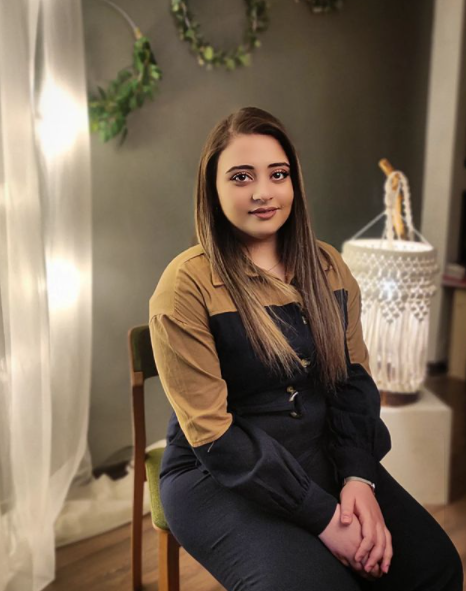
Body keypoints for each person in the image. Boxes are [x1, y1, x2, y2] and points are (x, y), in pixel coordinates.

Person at [149, 106, 463, 590]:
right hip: (216, 471)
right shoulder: (185, 286)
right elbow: (214, 436)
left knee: (435, 567)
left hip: (318, 452)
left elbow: (352, 381)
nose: (263, 192)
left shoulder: (328, 266)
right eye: (241, 177)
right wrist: (326, 519)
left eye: (278, 174)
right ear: (212, 189)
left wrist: (359, 477)